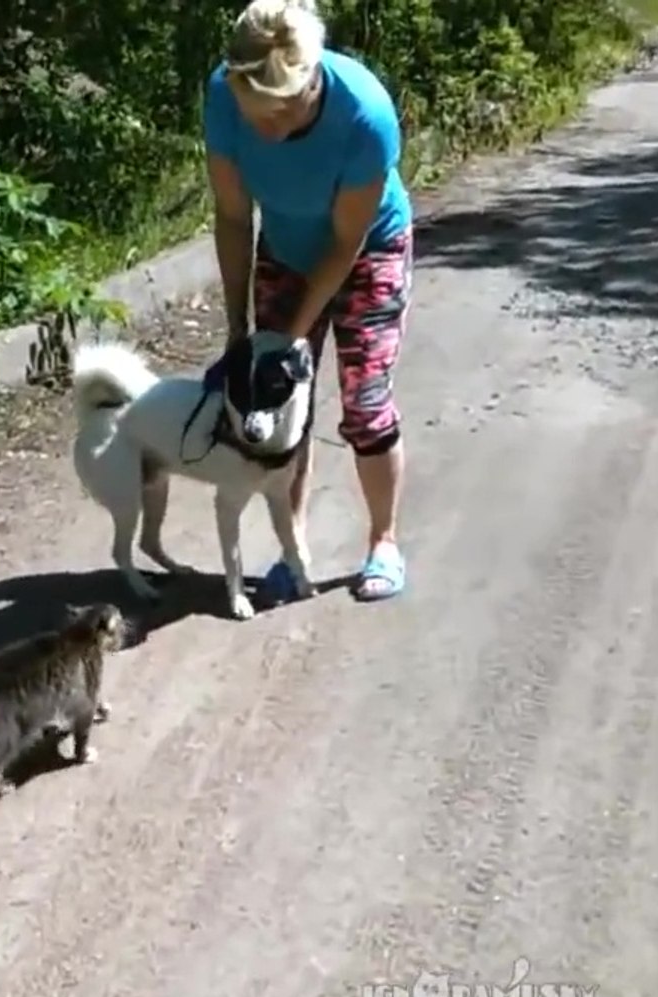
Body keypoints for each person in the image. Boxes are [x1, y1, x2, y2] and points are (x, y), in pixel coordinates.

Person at [202, 0, 413, 602]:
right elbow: (234, 216)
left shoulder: (365, 116)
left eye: (282, 114)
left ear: (312, 79)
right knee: (280, 405)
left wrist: (292, 332)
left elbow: (346, 242)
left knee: (365, 402)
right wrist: (237, 327)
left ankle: (384, 542)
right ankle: (292, 551)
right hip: (287, 248)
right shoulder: (223, 94)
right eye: (256, 114)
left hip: (368, 250)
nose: (266, 129)